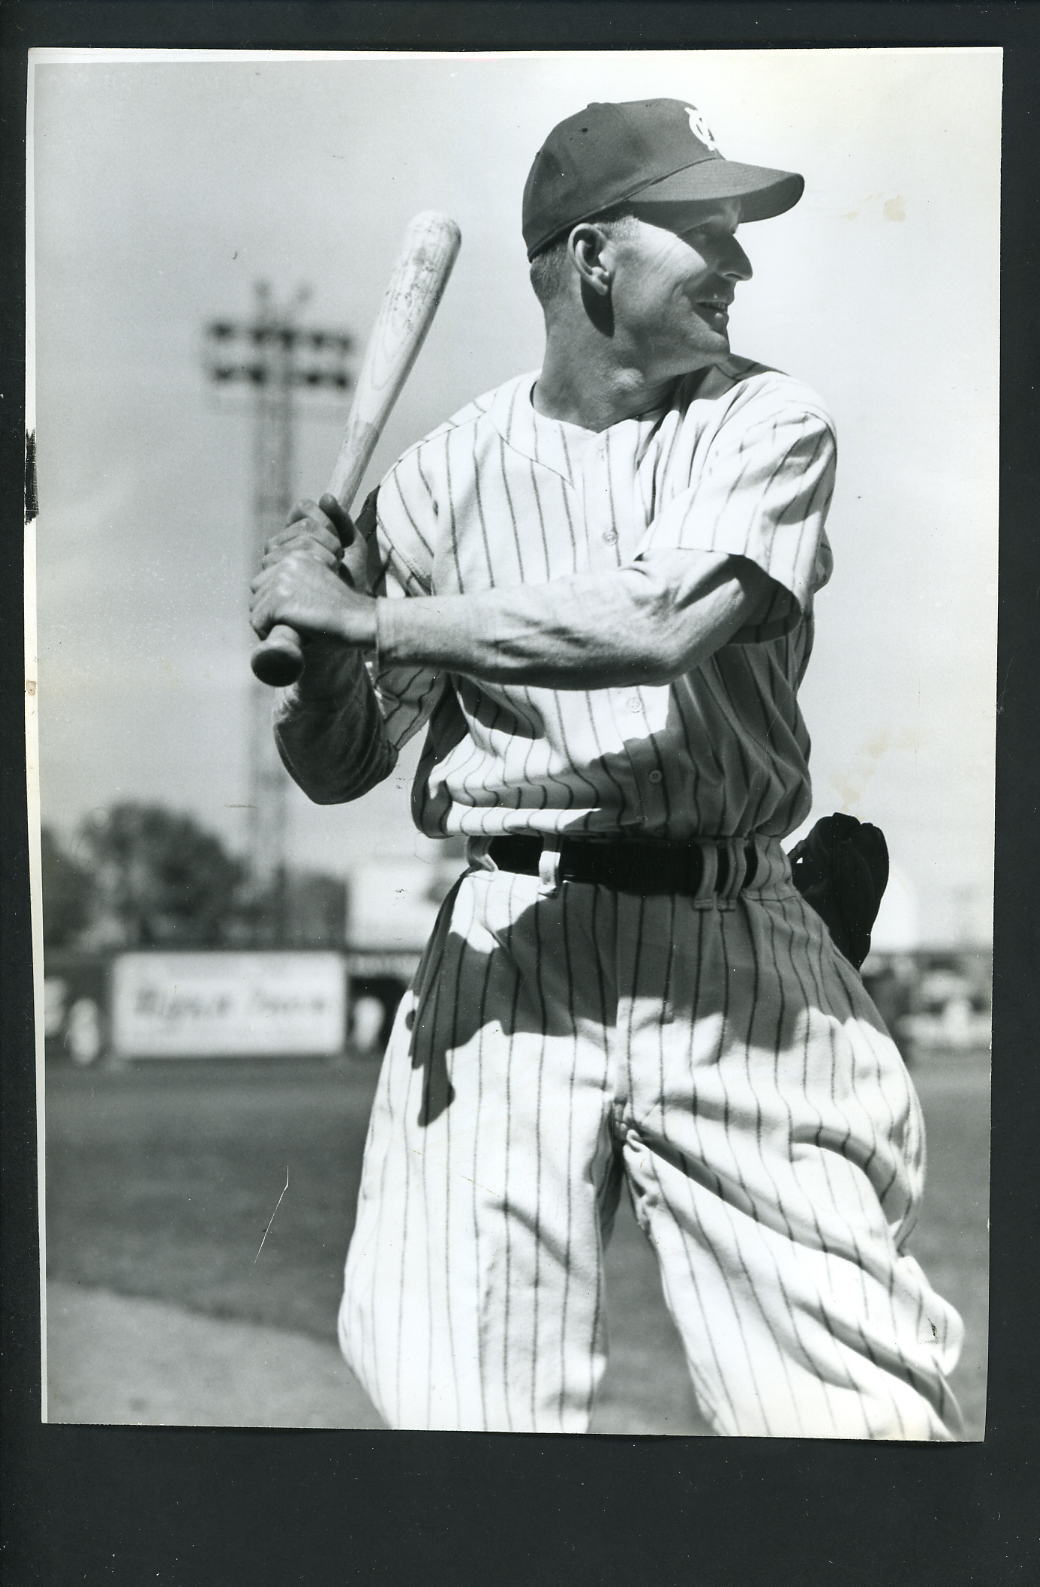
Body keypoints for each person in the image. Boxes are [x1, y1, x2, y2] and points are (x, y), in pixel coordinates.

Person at [249, 97, 964, 1437]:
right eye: (705, 232)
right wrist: (328, 640)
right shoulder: (437, 482)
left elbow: (658, 623)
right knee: (459, 1416)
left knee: (856, 1424)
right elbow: (338, 764)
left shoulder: (770, 425)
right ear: (592, 261)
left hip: (728, 945)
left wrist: (370, 616)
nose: (738, 266)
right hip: (510, 956)